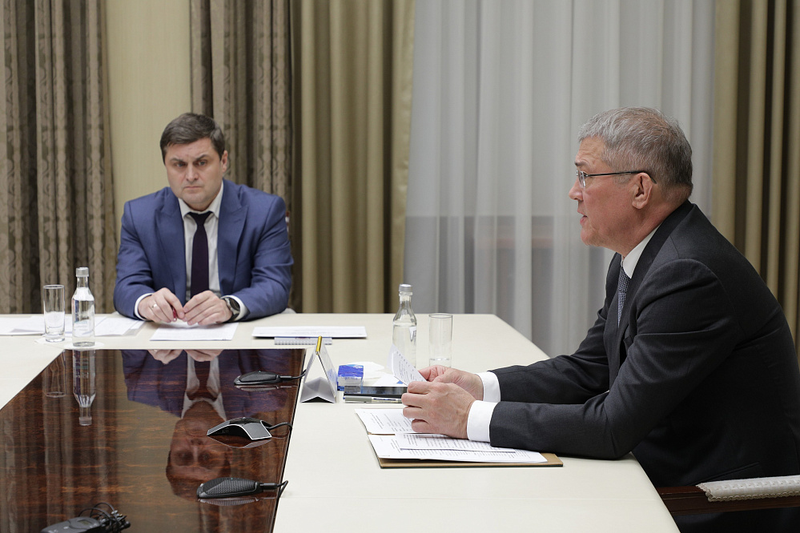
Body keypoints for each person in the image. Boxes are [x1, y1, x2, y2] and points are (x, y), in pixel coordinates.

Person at [402, 107, 800, 532]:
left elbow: (612, 426)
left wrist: (469, 418)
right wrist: (480, 387)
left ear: (640, 189)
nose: (574, 192)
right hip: (660, 472)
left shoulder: (687, 273)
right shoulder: (644, 255)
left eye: (586, 176)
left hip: (718, 502)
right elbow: (589, 369)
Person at [113, 113, 292, 325]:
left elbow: (274, 284)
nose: (190, 176)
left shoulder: (264, 211)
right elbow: (127, 286)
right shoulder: (139, 215)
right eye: (179, 165)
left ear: (223, 161)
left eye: (201, 163)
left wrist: (229, 306)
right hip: (169, 331)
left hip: (235, 326)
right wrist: (146, 302)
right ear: (166, 165)